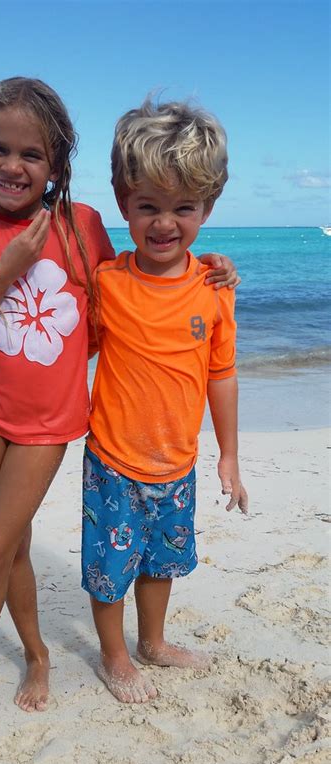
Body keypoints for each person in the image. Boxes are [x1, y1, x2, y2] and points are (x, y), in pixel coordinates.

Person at [0, 76, 239, 731]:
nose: (12, 165)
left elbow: (124, 288)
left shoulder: (81, 227)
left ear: (57, 165)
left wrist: (210, 269)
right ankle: (39, 654)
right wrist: (0, 287)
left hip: (52, 424)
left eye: (32, 155)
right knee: (9, 548)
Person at [81, 98, 248, 704]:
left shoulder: (213, 288)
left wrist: (228, 456)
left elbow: (221, 376)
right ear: (124, 203)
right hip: (114, 462)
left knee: (160, 563)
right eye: (147, 206)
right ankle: (115, 654)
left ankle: (152, 641)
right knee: (109, 570)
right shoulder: (108, 282)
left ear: (208, 207)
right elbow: (65, 345)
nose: (164, 223)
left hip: (177, 463)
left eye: (184, 207)